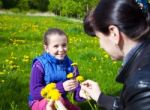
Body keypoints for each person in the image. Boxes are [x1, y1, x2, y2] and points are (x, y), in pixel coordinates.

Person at [80, 0, 150, 109]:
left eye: (99, 38)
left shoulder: (141, 84)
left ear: (114, 33)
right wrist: (100, 97)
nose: (100, 46)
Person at [29, 28, 84, 110]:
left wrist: (81, 93)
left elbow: (76, 87)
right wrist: (61, 87)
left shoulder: (71, 65)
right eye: (56, 46)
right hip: (40, 101)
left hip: (61, 99)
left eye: (64, 45)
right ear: (46, 48)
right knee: (58, 102)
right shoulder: (39, 65)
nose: (61, 49)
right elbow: (35, 92)